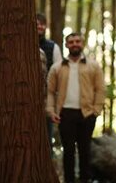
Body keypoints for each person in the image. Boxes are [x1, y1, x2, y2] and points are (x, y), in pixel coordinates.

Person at [46, 32, 105, 183]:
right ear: (66, 45)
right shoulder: (57, 67)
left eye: (77, 41)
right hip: (65, 114)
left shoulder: (93, 65)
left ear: (82, 43)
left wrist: (96, 111)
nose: (75, 44)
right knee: (68, 152)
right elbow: (51, 92)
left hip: (87, 114)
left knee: (85, 152)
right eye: (71, 42)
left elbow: (100, 89)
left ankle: (85, 180)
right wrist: (51, 111)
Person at [37, 12, 63, 154]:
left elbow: (58, 73)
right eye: (36, 23)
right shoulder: (22, 45)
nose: (39, 26)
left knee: (47, 135)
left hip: (47, 98)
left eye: (42, 23)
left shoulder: (53, 47)